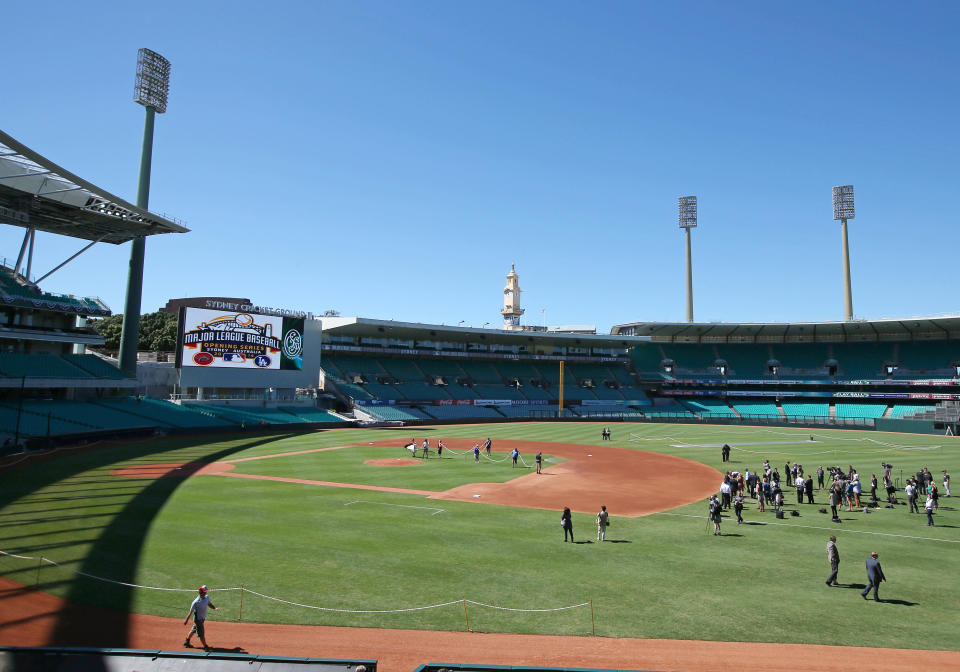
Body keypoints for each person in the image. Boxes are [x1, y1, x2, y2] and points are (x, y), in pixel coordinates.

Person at [184, 585, 219, 650]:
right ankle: (205, 646)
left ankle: (187, 641)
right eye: (204, 592)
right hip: (198, 620)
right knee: (201, 633)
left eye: (206, 592)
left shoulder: (206, 597)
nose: (206, 593)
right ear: (201, 592)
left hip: (202, 619)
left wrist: (215, 608)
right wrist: (186, 620)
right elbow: (190, 612)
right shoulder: (195, 602)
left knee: (194, 629)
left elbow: (209, 604)